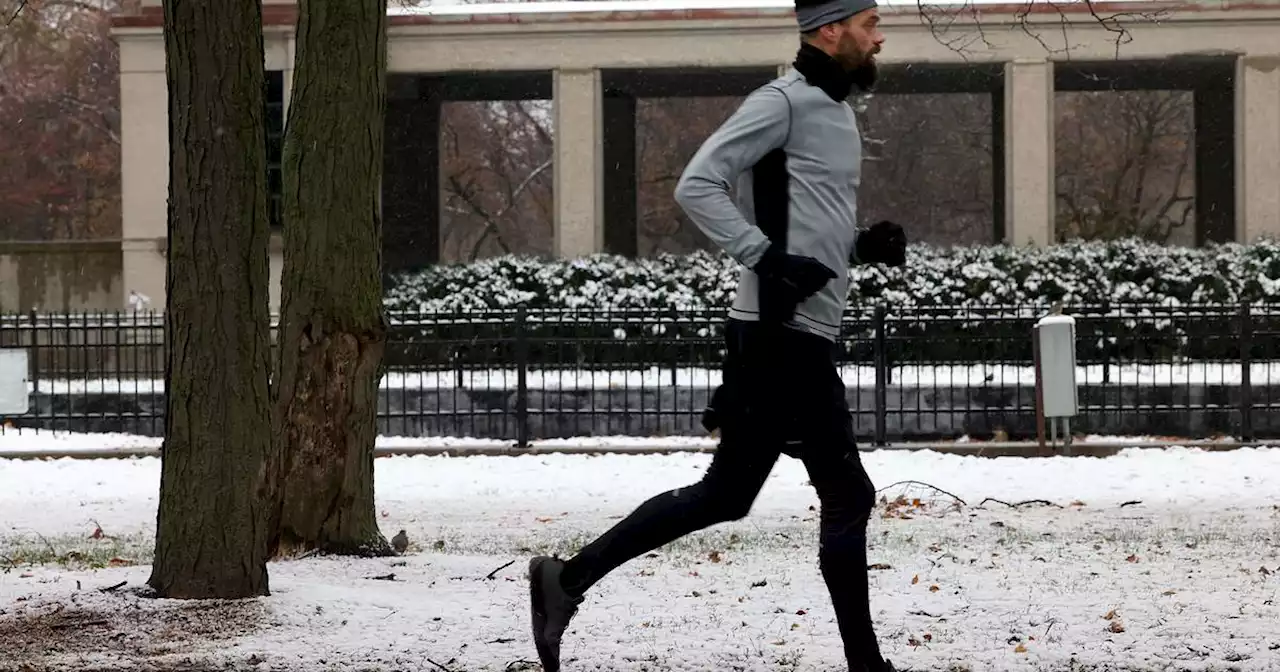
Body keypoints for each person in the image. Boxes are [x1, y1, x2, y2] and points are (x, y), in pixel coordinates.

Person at [527, 0, 907, 669]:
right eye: (868, 24)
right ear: (828, 30)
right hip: (775, 333)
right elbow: (697, 185)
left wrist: (859, 244)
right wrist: (763, 257)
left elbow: (807, 229)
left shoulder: (839, 113)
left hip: (799, 331)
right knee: (847, 494)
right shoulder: (781, 101)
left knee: (728, 496)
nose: (879, 37)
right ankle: (868, 667)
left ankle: (566, 580)